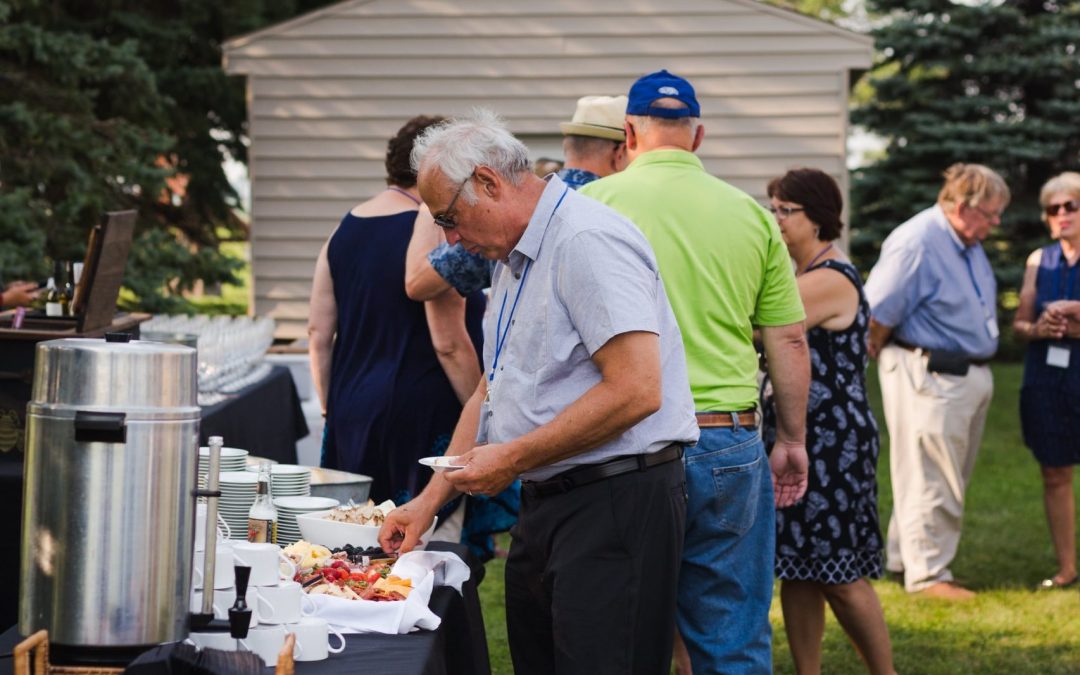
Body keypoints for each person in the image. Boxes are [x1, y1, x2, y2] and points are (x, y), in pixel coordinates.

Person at [379, 110, 699, 675]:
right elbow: (492, 388)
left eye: (450, 219)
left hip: (615, 500)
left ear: (488, 182)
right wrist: (430, 501)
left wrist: (511, 458)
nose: (451, 238)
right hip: (552, 498)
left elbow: (637, 390)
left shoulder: (586, 239)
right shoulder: (513, 254)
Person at [581, 70, 810, 674]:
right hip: (726, 438)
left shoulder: (588, 209)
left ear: (628, 133)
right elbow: (787, 338)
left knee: (621, 631)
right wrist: (792, 439)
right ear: (698, 136)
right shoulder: (752, 216)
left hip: (622, 437)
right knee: (730, 632)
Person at [307, 115, 484, 533]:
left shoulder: (342, 230)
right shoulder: (436, 230)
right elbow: (448, 342)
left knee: (352, 536)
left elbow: (318, 334)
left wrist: (331, 404)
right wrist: (483, 412)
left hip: (351, 407)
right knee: (424, 540)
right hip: (421, 410)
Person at [761, 169, 894, 674]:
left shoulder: (828, 279)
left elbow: (762, 329)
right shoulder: (801, 274)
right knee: (797, 567)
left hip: (830, 440)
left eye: (784, 210)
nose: (775, 219)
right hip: (798, 433)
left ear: (816, 217)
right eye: (772, 207)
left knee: (839, 570)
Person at [865, 163, 1010, 600]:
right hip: (928, 371)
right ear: (963, 206)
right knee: (932, 474)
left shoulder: (963, 239)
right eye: (991, 212)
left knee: (932, 473)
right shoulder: (917, 241)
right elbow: (875, 314)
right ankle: (929, 575)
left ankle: (903, 559)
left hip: (960, 372)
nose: (997, 221)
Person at [402, 94, 629, 303]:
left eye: (449, 219)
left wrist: (428, 209)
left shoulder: (510, 212)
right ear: (620, 153)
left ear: (567, 145)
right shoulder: (614, 210)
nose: (452, 236)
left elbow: (418, 283)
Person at [1014, 171, 1080, 590]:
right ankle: (1067, 567)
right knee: (1054, 472)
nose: (1061, 215)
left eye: (1069, 206)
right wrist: (1037, 328)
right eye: (1052, 209)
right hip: (1046, 377)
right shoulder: (1038, 260)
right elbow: (1019, 323)